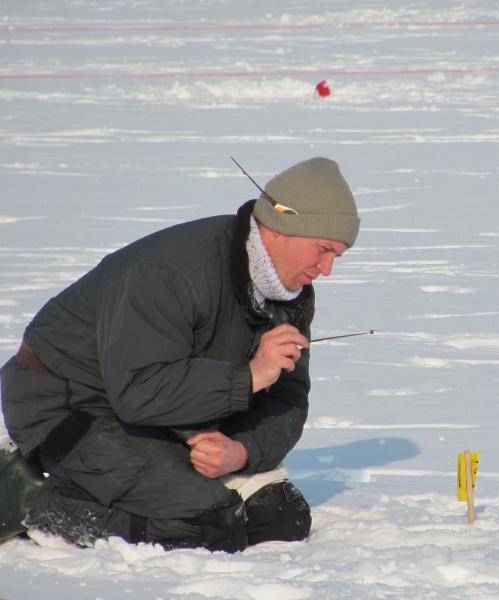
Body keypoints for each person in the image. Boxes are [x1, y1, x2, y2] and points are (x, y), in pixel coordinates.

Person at [0, 157, 360, 552]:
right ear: (282, 226)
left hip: (173, 415)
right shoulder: (172, 271)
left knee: (280, 518)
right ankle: (27, 499)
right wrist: (249, 377)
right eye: (323, 250)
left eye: (336, 257)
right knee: (205, 523)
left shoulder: (288, 294)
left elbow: (288, 400)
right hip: (69, 403)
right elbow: (139, 391)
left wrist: (240, 452)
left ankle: (100, 482)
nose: (325, 270)